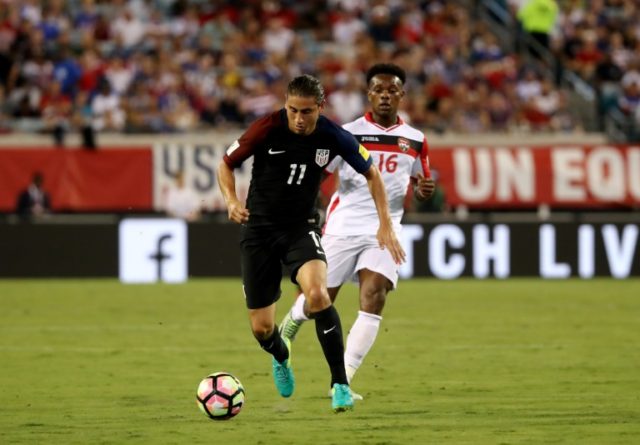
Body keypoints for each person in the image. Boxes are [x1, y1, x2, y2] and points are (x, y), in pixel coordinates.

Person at [217, 74, 405, 413]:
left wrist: (385, 223)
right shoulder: (266, 128)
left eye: (306, 112)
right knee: (262, 329)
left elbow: (372, 173)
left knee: (317, 295)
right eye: (293, 111)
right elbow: (227, 163)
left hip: (300, 229)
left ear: (320, 107)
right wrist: (231, 200)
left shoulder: (332, 135)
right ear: (285, 106)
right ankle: (281, 354)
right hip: (258, 231)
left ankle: (340, 385)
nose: (299, 120)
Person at [279, 64, 435, 400]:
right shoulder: (346, 133)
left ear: (401, 95)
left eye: (391, 90)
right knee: (319, 301)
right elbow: (319, 173)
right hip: (343, 225)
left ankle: (343, 382)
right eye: (378, 89)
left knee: (374, 294)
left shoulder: (416, 141)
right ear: (369, 94)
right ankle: (290, 323)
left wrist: (425, 191)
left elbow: (421, 184)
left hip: (386, 228)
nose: (384, 96)